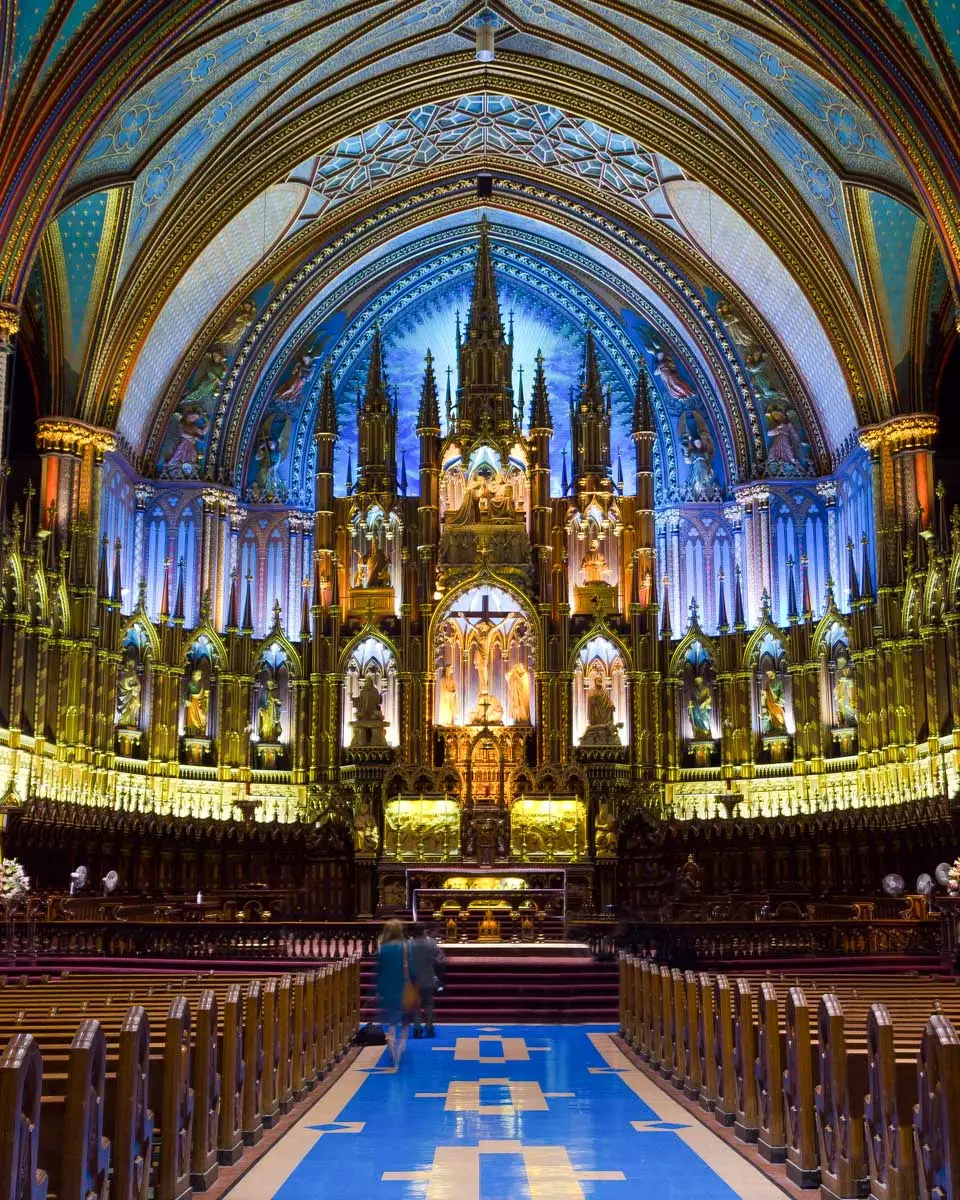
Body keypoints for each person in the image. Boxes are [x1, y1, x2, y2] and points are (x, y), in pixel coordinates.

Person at [376, 919, 415, 1066]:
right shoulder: (405, 947)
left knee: (391, 1017)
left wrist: (378, 988)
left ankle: (391, 1040)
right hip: (402, 985)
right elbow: (411, 968)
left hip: (387, 986)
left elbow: (378, 970)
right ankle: (402, 1044)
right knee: (404, 1017)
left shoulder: (382, 948)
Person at [409, 922, 441, 1038]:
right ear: (423, 931)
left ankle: (417, 1028)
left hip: (413, 978)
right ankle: (429, 1027)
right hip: (427, 977)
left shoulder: (408, 944)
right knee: (428, 1004)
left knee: (416, 1005)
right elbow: (438, 958)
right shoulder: (431, 943)